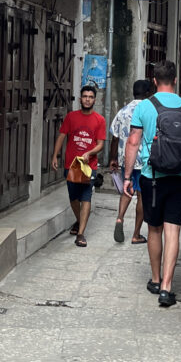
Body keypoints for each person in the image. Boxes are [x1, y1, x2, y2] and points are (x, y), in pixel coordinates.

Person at [124, 60, 181, 308]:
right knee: (173, 230)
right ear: (176, 80)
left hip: (152, 177)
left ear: (154, 81)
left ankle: (156, 279)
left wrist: (127, 177)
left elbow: (133, 142)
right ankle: (167, 288)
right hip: (179, 178)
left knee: (154, 228)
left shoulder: (144, 107)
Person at [51, 85, 106, 247]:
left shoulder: (100, 120)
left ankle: (81, 233)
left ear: (94, 100)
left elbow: (100, 144)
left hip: (89, 165)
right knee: (73, 198)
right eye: (85, 96)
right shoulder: (71, 117)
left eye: (90, 97)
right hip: (71, 164)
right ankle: (78, 220)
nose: (87, 99)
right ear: (80, 99)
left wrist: (89, 153)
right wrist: (55, 155)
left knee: (86, 196)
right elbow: (62, 136)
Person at [109, 79, 152, 244]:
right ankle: (136, 234)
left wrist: (113, 158)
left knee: (126, 191)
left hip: (125, 159)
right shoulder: (148, 111)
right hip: (143, 161)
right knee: (142, 196)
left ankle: (120, 218)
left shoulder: (123, 111)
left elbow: (115, 137)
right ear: (147, 93)